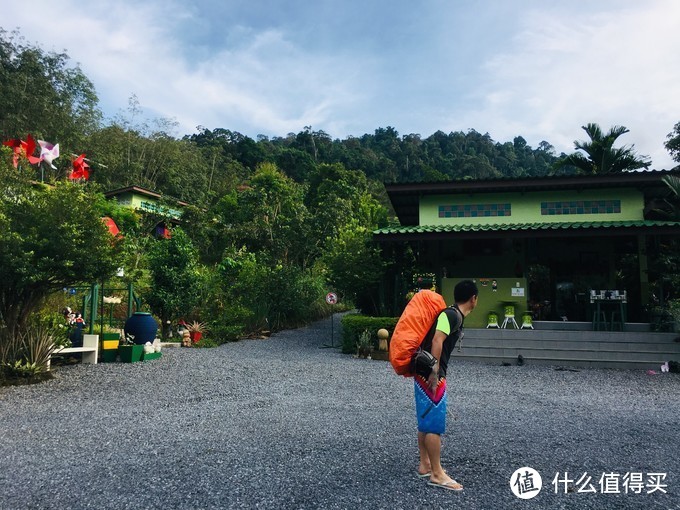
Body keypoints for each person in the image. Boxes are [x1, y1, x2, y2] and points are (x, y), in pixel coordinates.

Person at [414, 279, 478, 491]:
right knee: (434, 423)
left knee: (425, 418)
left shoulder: (453, 315)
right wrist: (435, 372)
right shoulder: (450, 315)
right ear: (473, 299)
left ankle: (425, 464)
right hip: (432, 373)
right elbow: (437, 340)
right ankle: (437, 474)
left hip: (423, 371)